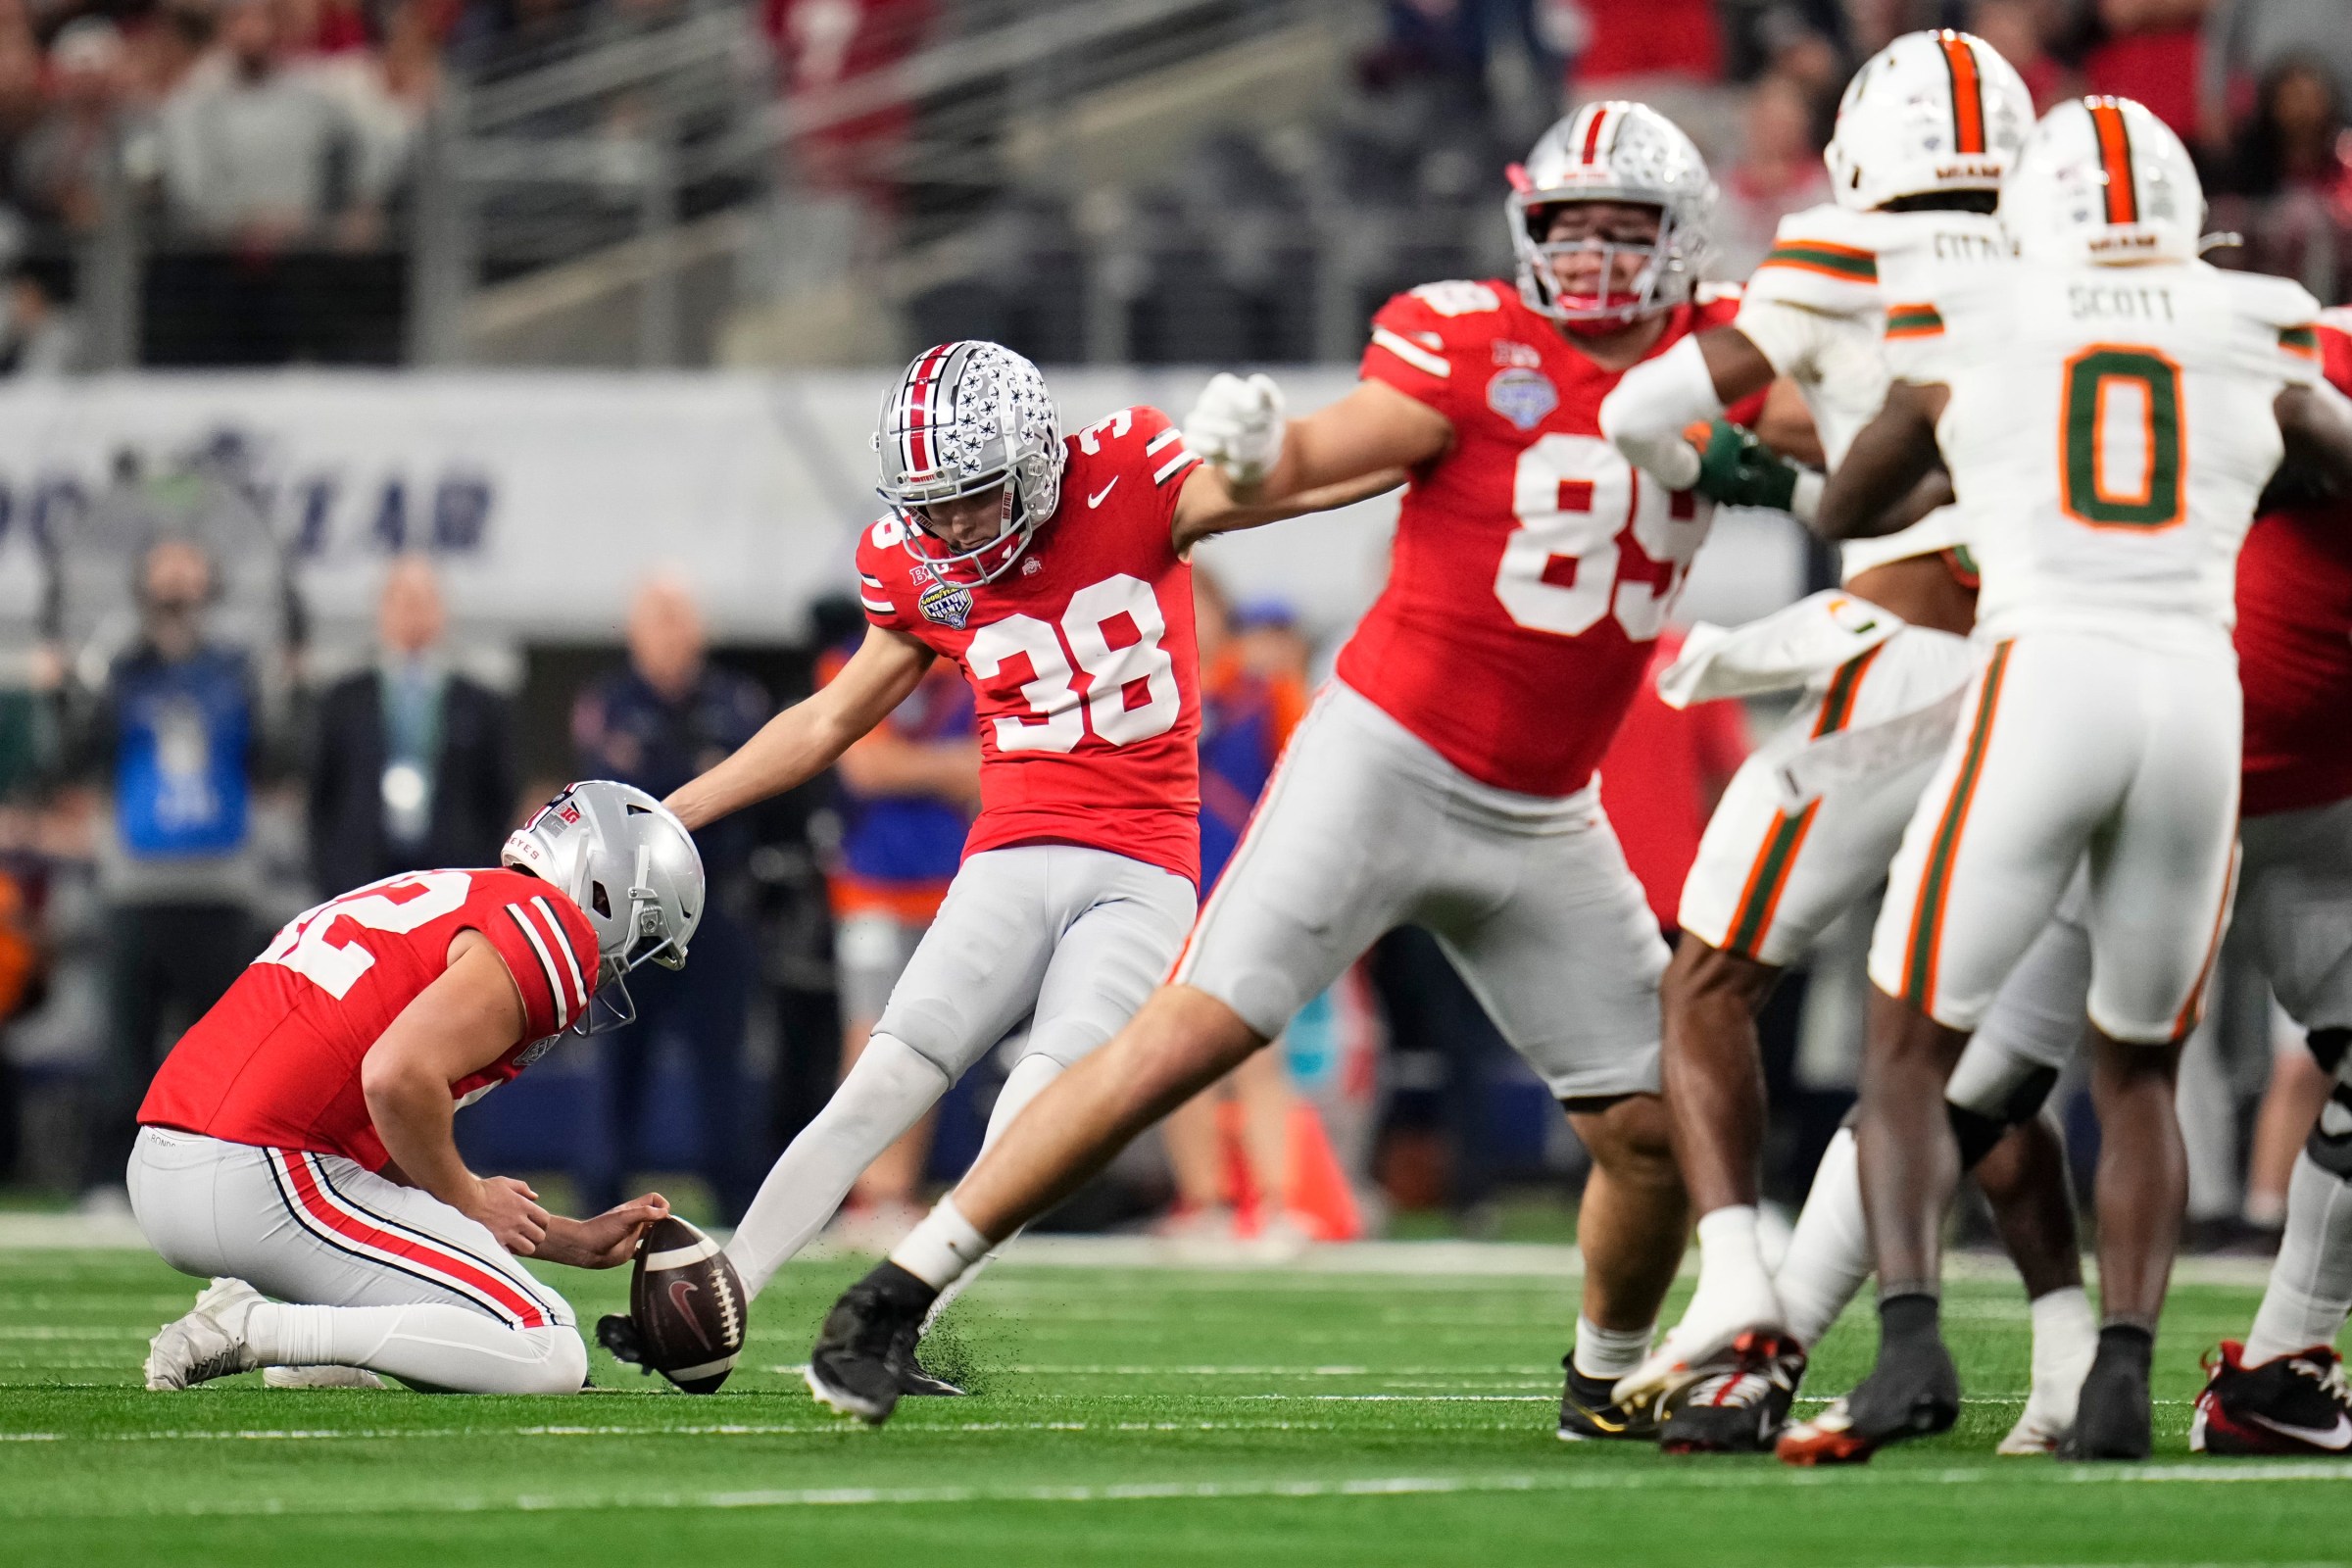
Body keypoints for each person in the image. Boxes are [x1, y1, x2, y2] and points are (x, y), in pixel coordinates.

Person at [806, 102, 1765, 1432]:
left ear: (1685, 237)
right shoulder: (1466, 337)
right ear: (1525, 229)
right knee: (1190, 1037)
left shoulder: (1739, 350)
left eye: (1628, 226)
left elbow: (1866, 433)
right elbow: (1328, 449)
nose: (1597, 253)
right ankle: (895, 1294)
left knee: (1653, 1134)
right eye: (1572, 225)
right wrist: (1257, 455)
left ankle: (1603, 1385)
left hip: (1549, 814)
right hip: (1386, 757)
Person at [595, 339, 1373, 1406]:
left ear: (1037, 458)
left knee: (1045, 1095)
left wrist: (1285, 452)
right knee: (886, 1076)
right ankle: (726, 1289)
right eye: (934, 503)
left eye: (972, 495)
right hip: (1008, 851)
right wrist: (677, 811)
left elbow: (1273, 487)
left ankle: (900, 1316)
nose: (953, 524)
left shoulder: (1133, 473)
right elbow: (829, 718)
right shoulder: (914, 562)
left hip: (1140, 865)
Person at [1776, 95, 2352, 1464]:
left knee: (1918, 1055)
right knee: (2094, 1076)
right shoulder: (2270, 330)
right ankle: (1837, 1336)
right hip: (2204, 742)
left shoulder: (1983, 323)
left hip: (2137, 745)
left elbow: (1854, 500)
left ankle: (2276, 1363)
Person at [1595, 29, 2099, 1454]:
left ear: (1866, 148)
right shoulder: (2050, 269)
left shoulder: (1837, 248)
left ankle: (1742, 1298)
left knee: (1707, 983)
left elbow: (1644, 409)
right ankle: (2068, 1358)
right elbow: (1939, 438)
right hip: (2052, 677)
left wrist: (1738, 468)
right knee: (1955, 1060)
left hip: (1904, 665)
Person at [130, 781, 701, 1395]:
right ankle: (259, 1328)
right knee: (547, 1345)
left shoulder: (458, 895)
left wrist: (569, 1239)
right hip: (262, 1168)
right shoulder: (552, 925)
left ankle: (319, 1353)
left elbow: (386, 1124)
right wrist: (471, 1196)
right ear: (606, 888)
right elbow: (395, 1077)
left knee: (459, 1336)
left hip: (178, 1159)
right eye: (642, 936)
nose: (620, 961)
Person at [62, 538, 278, 1209]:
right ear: (143, 581)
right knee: (125, 1045)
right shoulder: (119, 672)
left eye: (190, 565)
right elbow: (74, 759)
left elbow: (276, 760)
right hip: (136, 882)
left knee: (225, 1051)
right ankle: (109, 1179)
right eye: (165, 566)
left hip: (220, 883)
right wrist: (61, 694)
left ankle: (225, 1183)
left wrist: (288, 689)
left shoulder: (237, 669)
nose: (178, 579)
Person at [569, 576, 769, 1222]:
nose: (670, 636)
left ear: (701, 632)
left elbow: (753, 789)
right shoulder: (605, 704)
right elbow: (619, 799)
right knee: (619, 1063)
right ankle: (602, 1197)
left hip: (715, 911)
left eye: (680, 620)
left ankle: (735, 1202)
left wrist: (669, 781)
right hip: (627, 918)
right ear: (634, 634)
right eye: (657, 621)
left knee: (723, 1067)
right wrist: (691, 778)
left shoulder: (737, 701)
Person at [1158, 572, 1309, 1241]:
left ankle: (1275, 1201)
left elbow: (1305, 775)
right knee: (1173, 1054)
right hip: (1166, 887)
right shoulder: (1141, 694)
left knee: (1255, 1050)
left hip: (1245, 889)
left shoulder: (1260, 691)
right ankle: (1204, 1201)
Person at [818, 636, 980, 1245]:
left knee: (927, 1036)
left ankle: (892, 1190)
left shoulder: (973, 658)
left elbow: (996, 766)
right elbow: (866, 768)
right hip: (872, 886)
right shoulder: (855, 658)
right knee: (868, 1033)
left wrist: (924, 769)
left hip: (950, 882)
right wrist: (954, 765)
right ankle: (857, 1188)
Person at [308, 556, 519, 900]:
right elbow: (322, 796)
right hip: (361, 875)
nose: (413, 613)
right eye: (403, 600)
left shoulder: (481, 703)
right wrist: (330, 872)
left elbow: (499, 796)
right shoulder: (343, 699)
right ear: (382, 609)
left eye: (423, 601)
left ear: (442, 610)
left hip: (451, 875)